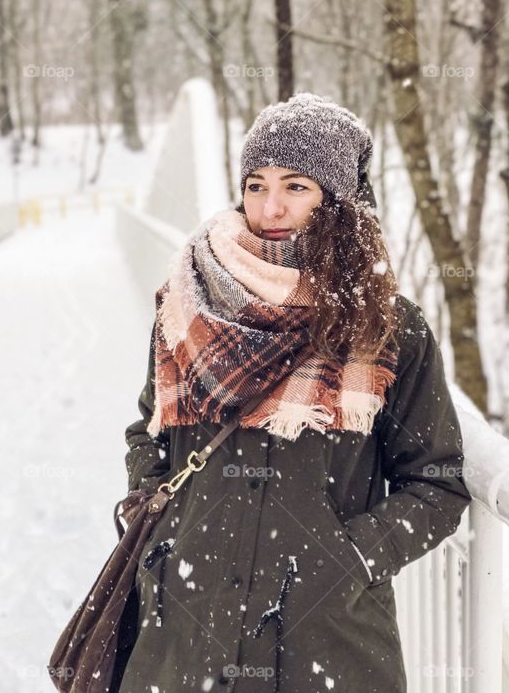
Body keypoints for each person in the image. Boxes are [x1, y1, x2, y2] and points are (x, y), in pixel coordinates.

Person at [114, 93, 472, 693]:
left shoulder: (386, 328)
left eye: (296, 186)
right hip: (187, 622)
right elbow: (150, 430)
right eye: (255, 184)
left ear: (340, 202)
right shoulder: (188, 302)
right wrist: (161, 531)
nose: (269, 206)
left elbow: (436, 482)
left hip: (325, 642)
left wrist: (348, 560)